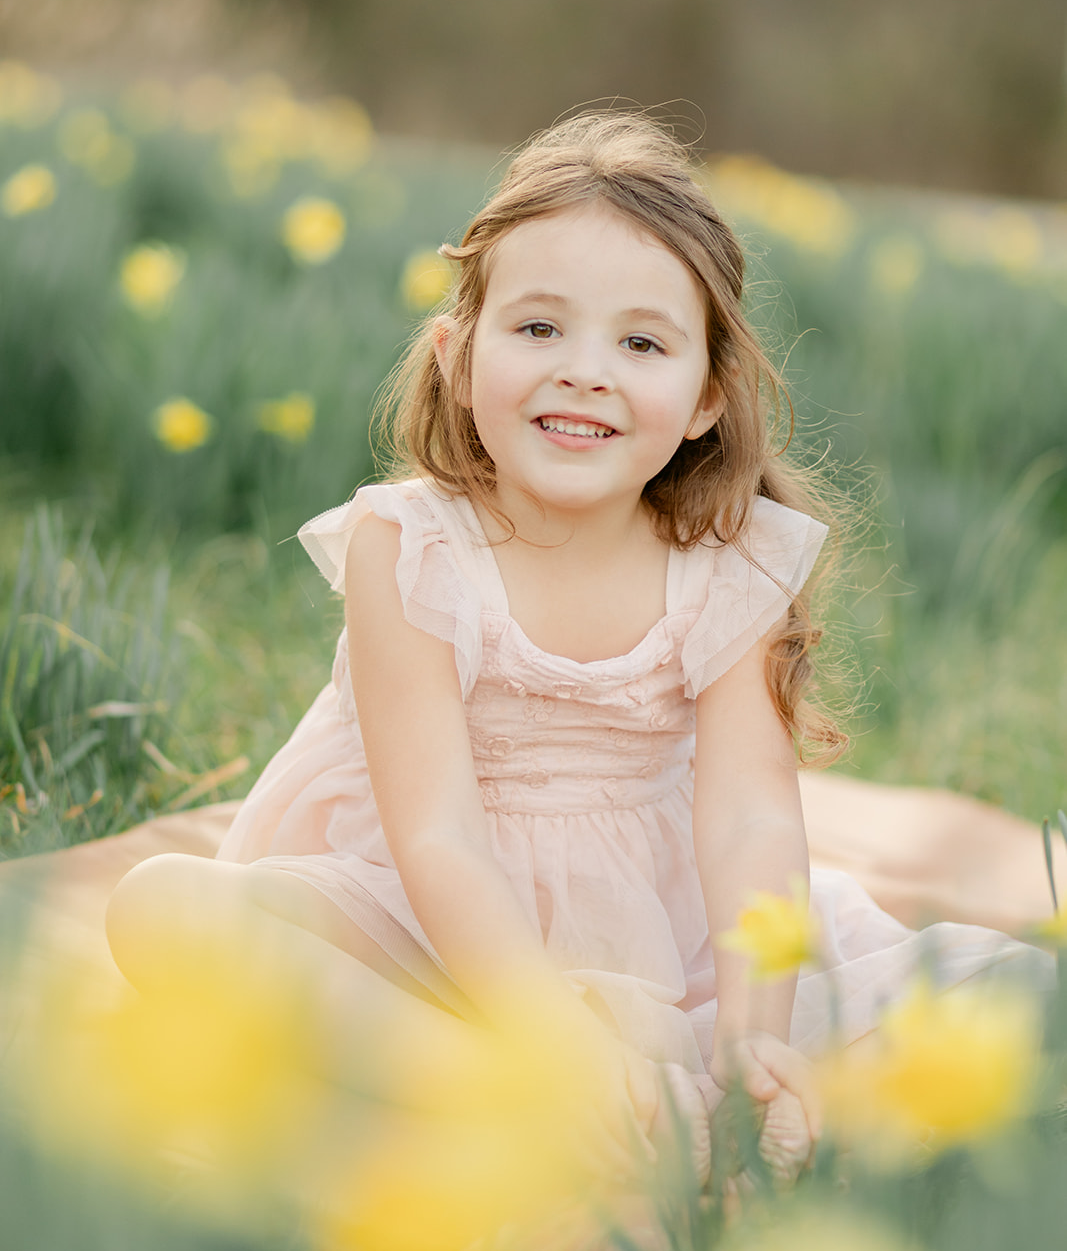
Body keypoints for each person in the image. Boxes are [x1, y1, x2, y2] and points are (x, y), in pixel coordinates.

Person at [105, 112, 1038, 1186]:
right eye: (537, 329)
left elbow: (745, 814)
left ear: (703, 399)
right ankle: (515, 1100)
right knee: (162, 909)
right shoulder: (405, 548)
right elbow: (438, 833)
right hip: (434, 927)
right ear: (458, 358)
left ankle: (747, 1112)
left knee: (1008, 996)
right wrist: (544, 1038)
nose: (583, 372)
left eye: (638, 344)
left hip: (668, 936)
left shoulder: (726, 561)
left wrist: (749, 1033)